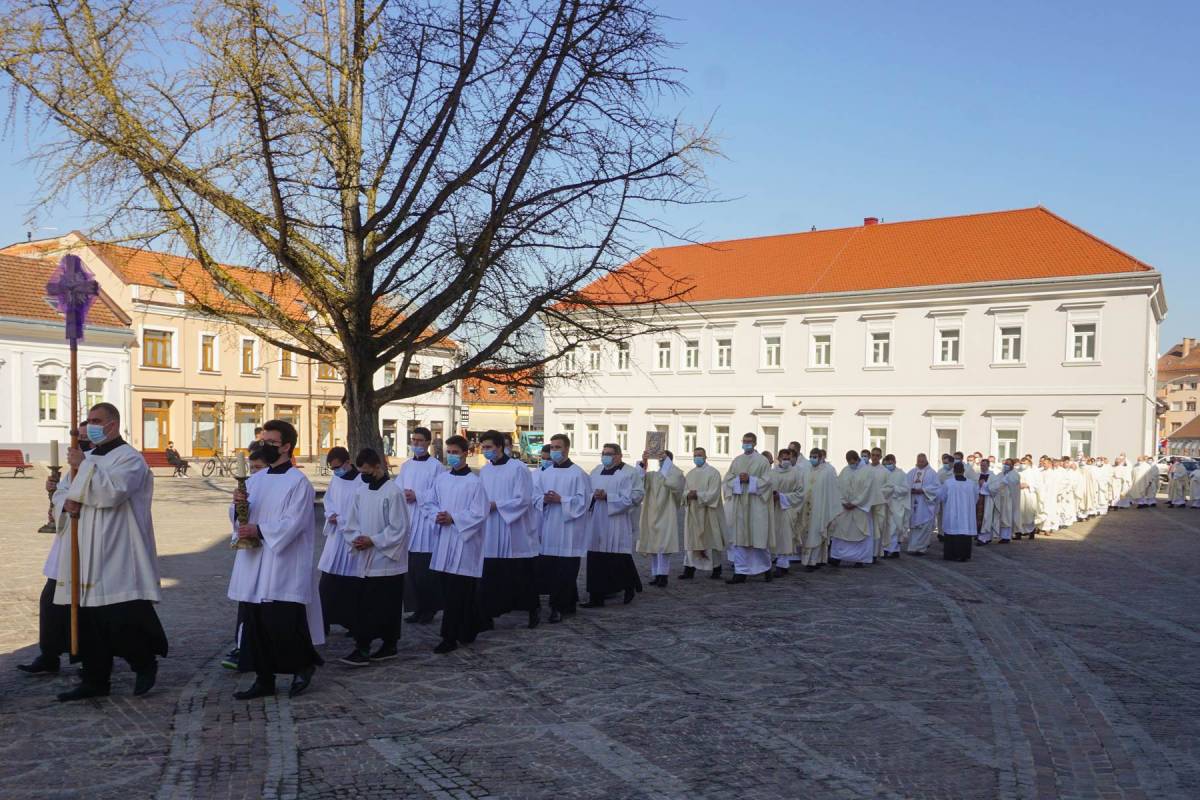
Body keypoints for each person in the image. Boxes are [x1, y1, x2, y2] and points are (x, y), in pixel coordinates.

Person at [54, 403, 167, 702]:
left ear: (113, 424)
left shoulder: (130, 459)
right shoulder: (85, 458)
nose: (90, 426)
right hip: (83, 543)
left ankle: (144, 663)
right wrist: (66, 503)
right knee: (87, 618)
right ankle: (95, 679)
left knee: (119, 616)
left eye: (96, 421)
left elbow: (113, 493)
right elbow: (63, 491)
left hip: (117, 545)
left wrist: (84, 467)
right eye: (89, 420)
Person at [228, 419, 320, 700]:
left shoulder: (299, 483)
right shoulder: (255, 479)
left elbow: (293, 524)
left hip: (283, 562)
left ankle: (303, 666)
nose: (264, 446)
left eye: (271, 442)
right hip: (255, 561)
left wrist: (260, 530)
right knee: (255, 623)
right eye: (262, 441)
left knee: (281, 622)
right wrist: (238, 507)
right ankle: (263, 678)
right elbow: (240, 515)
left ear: (287, 447)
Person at [17, 424, 89, 676]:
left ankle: (89, 659)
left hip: (89, 546)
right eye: (76, 437)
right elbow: (62, 498)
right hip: (65, 546)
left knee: (83, 607)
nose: (78, 441)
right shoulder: (74, 467)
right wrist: (55, 493)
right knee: (50, 601)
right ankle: (49, 654)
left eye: (82, 436)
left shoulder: (97, 463)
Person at [333, 448, 410, 665]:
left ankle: (389, 644)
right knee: (363, 606)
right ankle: (363, 646)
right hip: (365, 556)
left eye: (367, 471)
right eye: (361, 472)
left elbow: (399, 528)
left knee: (388, 605)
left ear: (378, 467)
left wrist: (374, 540)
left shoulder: (393, 492)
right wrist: (356, 538)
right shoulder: (361, 491)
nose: (364, 476)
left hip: (386, 559)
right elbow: (351, 520)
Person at [427, 436, 489, 653]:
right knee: (451, 591)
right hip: (445, 540)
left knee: (458, 592)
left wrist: (454, 518)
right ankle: (470, 627)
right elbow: (430, 503)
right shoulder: (442, 480)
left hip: (464, 542)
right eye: (449, 451)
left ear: (466, 453)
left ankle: (449, 637)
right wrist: (438, 515)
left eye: (455, 452)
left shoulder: (474, 483)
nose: (451, 455)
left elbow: (479, 513)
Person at [476, 430, 541, 629]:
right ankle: (488, 615)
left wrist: (498, 505)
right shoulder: (485, 471)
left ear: (500, 446)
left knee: (520, 573)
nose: (486, 451)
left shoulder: (518, 468)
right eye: (483, 448)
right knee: (491, 574)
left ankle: (532, 609)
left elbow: (523, 499)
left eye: (489, 447)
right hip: (491, 529)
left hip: (514, 528)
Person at [535, 434, 590, 622]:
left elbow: (584, 502)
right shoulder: (545, 473)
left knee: (566, 569)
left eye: (558, 447)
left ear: (567, 449)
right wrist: (543, 499)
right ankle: (568, 602)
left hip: (569, 529)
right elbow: (533, 496)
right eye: (552, 447)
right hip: (550, 527)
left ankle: (557, 606)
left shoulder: (578, 474)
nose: (554, 451)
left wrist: (562, 500)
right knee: (551, 569)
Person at [583, 443, 643, 606]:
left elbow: (630, 498)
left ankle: (628, 586)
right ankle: (596, 597)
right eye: (603, 453)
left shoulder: (625, 475)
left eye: (609, 453)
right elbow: (586, 492)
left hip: (616, 520)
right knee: (595, 558)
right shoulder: (595, 472)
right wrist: (593, 496)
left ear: (618, 456)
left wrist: (608, 496)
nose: (605, 456)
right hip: (596, 520)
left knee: (617, 556)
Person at [398, 427, 446, 624]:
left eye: (419, 441)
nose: (415, 444)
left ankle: (430, 608)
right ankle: (416, 607)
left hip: (426, 521)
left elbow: (439, 492)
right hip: (409, 518)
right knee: (411, 570)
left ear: (428, 443)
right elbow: (398, 488)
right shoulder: (406, 466)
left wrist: (417, 495)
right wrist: (403, 495)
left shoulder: (436, 467)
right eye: (413, 440)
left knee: (425, 569)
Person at [318, 447, 362, 637]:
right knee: (328, 582)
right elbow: (328, 501)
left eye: (338, 467)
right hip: (336, 538)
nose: (336, 471)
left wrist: (343, 519)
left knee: (351, 584)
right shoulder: (336, 479)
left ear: (348, 461)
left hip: (352, 536)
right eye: (333, 468)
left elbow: (362, 509)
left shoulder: (361, 481)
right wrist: (331, 514)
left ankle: (353, 623)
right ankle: (324, 621)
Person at [723, 433, 774, 583]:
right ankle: (740, 572)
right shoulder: (737, 461)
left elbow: (768, 481)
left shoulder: (763, 461)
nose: (746, 444)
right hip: (740, 505)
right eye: (744, 441)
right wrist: (738, 480)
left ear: (755, 443)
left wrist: (751, 480)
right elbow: (727, 480)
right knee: (739, 540)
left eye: (749, 441)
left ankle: (766, 568)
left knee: (758, 538)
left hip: (757, 504)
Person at [637, 449, 685, 587]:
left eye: (664, 459)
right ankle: (656, 574)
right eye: (660, 459)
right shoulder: (653, 476)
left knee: (664, 546)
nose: (661, 462)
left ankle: (663, 575)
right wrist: (644, 463)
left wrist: (667, 464)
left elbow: (676, 485)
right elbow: (639, 482)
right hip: (651, 514)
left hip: (666, 515)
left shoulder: (676, 474)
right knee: (653, 546)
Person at [681, 447, 727, 579]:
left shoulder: (713, 473)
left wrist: (698, 495)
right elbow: (684, 492)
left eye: (700, 455)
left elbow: (714, 494)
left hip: (709, 513)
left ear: (705, 457)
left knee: (711, 540)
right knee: (691, 540)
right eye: (695, 455)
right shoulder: (690, 474)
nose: (697, 458)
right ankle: (689, 569)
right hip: (693, 513)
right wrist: (687, 495)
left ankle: (716, 568)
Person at [827, 450, 874, 568]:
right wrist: (843, 501)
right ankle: (837, 557)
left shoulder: (867, 471)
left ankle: (859, 558)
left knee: (860, 533)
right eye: (848, 462)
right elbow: (838, 486)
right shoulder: (845, 470)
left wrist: (855, 503)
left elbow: (867, 490)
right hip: (845, 508)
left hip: (859, 508)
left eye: (852, 462)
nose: (851, 464)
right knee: (840, 531)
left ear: (857, 459)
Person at [796, 448, 839, 571]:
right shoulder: (806, 469)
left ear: (821, 458)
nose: (812, 459)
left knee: (817, 533)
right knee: (807, 533)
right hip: (807, 506)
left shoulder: (828, 471)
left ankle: (816, 561)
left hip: (821, 507)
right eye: (811, 456)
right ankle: (809, 560)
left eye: (815, 457)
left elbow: (833, 489)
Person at [768, 448, 804, 577]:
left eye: (788, 458)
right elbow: (766, 488)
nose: (786, 461)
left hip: (788, 508)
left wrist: (782, 497)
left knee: (785, 536)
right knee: (775, 535)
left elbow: (800, 493)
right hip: (773, 508)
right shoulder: (772, 473)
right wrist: (771, 496)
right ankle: (780, 562)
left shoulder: (797, 473)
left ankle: (782, 564)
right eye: (784, 458)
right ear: (778, 459)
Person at [938, 462, 979, 561]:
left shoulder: (948, 483)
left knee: (952, 530)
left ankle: (950, 555)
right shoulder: (971, 484)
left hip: (952, 513)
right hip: (966, 514)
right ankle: (963, 555)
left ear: (954, 471)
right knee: (963, 532)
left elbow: (941, 496)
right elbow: (976, 498)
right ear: (963, 471)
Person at [905, 454, 940, 555]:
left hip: (925, 504)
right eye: (918, 461)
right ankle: (912, 547)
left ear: (926, 461)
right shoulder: (912, 472)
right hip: (913, 502)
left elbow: (936, 488)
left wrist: (923, 490)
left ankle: (921, 548)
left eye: (922, 461)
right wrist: (909, 490)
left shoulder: (932, 473)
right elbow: (905, 484)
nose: (920, 463)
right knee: (914, 526)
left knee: (924, 525)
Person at [879, 454, 908, 558]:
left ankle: (895, 549)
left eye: (890, 463)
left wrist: (894, 489)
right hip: (885, 503)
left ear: (895, 462)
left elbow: (905, 489)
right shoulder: (882, 473)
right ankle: (886, 549)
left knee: (896, 527)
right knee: (886, 527)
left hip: (897, 504)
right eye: (887, 463)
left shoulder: (901, 474)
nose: (889, 465)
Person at [866, 448, 888, 562]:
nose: (874, 457)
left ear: (880, 457)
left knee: (878, 528)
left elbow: (889, 487)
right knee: (867, 528)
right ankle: (867, 552)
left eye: (877, 455)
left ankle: (875, 553)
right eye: (873, 455)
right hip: (867, 504)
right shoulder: (865, 469)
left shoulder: (885, 471)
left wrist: (880, 494)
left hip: (879, 504)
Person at [1014, 456, 1039, 539]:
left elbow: (1038, 484)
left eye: (1024, 463)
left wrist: (1028, 485)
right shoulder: (1018, 471)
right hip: (1019, 494)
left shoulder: (1033, 472)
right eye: (1021, 463)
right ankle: (1018, 533)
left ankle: (1031, 532)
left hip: (1029, 494)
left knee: (1029, 513)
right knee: (1019, 513)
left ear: (1029, 464)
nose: (1022, 465)